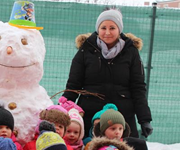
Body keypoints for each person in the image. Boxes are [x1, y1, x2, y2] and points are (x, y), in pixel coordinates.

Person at [62, 7, 153, 139]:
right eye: (103, 27)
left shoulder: (131, 52)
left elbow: (138, 87)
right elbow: (73, 85)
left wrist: (144, 119)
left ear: (119, 29)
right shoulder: (86, 50)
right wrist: (62, 111)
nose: (107, 32)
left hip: (122, 118)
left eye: (112, 28)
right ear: (98, 29)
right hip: (91, 114)